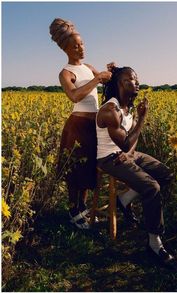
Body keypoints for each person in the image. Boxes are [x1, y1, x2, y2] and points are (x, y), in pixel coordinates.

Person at [96, 66, 175, 266]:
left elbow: (130, 143)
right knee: (151, 187)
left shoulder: (128, 106)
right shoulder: (110, 111)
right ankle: (154, 242)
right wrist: (142, 119)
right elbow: (124, 142)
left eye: (137, 79)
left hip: (126, 154)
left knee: (166, 174)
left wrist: (130, 154)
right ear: (119, 84)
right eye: (131, 80)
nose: (136, 82)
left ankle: (124, 198)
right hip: (109, 158)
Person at [49, 18, 112, 229]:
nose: (80, 48)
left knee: (87, 167)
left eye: (82, 43)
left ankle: (83, 206)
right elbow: (74, 96)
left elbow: (108, 82)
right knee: (74, 171)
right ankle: (73, 210)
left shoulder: (89, 67)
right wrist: (97, 79)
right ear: (66, 49)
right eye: (75, 46)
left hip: (93, 126)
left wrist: (112, 72)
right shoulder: (66, 73)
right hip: (76, 127)